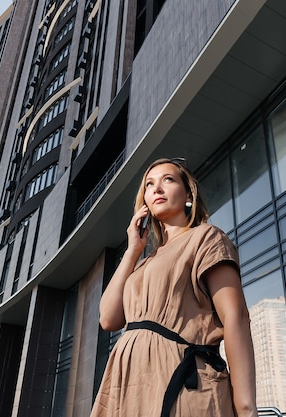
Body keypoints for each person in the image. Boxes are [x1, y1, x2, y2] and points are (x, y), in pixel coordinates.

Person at [91, 157, 258, 417]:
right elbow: (108, 318)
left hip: (181, 381)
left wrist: (246, 408)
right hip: (128, 389)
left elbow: (236, 316)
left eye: (167, 180)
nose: (156, 189)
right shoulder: (144, 262)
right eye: (149, 184)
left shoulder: (206, 237)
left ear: (188, 193)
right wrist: (132, 250)